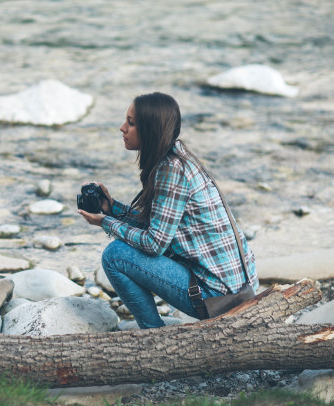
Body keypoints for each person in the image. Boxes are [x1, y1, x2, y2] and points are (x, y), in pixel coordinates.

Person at [78, 92, 258, 329]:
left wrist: (105, 222)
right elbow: (160, 227)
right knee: (123, 248)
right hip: (237, 287)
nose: (122, 128)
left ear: (150, 130)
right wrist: (112, 209)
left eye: (131, 123)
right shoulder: (177, 157)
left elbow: (154, 244)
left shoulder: (172, 170)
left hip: (219, 298)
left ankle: (153, 336)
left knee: (115, 256)